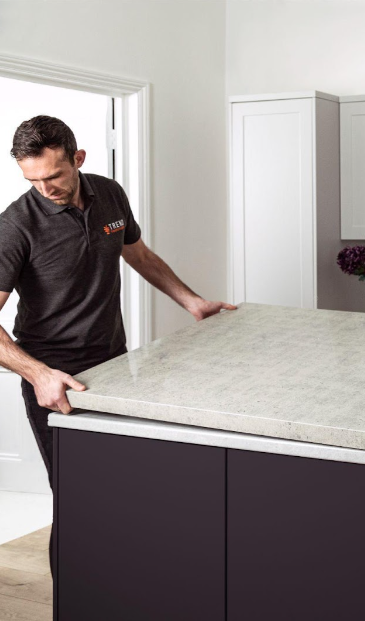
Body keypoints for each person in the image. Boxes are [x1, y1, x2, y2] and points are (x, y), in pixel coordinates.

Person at [0, 115, 236, 577]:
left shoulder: (108, 194)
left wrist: (192, 302)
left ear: (78, 159)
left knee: (123, 486)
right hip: (57, 380)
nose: (45, 188)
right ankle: (76, 600)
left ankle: (124, 588)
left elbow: (138, 254)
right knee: (76, 496)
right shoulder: (14, 226)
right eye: (33, 180)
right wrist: (38, 374)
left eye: (54, 175)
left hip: (115, 365)